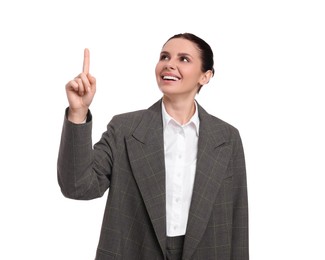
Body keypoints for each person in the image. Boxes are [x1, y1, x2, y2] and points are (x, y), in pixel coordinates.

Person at [57, 33, 249, 260]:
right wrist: (78, 112)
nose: (170, 64)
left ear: (205, 76)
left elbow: (238, 221)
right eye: (164, 57)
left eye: (184, 59)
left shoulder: (226, 138)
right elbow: (78, 186)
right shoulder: (125, 129)